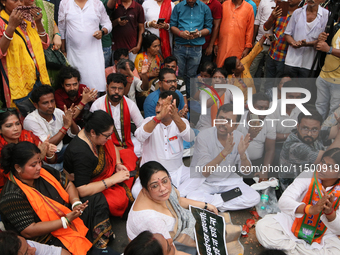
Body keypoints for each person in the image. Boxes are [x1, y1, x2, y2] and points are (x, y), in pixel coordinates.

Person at [0, 142, 113, 254]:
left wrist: (76, 203)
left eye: (39, 161)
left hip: (69, 214)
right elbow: (29, 230)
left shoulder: (43, 171)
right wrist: (64, 221)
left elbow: (68, 184)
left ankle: (99, 243)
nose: (39, 167)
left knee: (96, 199)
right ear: (18, 168)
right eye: (33, 165)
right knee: (72, 246)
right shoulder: (11, 195)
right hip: (48, 236)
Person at [256, 148, 340, 255]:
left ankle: (290, 251)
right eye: (322, 162)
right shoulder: (309, 174)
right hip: (294, 223)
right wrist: (310, 209)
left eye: (330, 167)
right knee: (263, 227)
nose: (322, 167)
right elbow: (283, 201)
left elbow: (338, 229)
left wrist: (330, 213)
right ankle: (301, 252)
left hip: (323, 234)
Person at [127, 161, 218, 254]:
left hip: (178, 236)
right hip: (167, 249)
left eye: (165, 181)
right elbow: (173, 252)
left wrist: (205, 205)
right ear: (144, 189)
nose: (162, 188)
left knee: (221, 232)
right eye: (155, 186)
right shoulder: (152, 220)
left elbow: (177, 201)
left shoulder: (158, 194)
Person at [186, 104, 260, 211]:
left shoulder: (239, 136)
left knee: (254, 197)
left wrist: (243, 156)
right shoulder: (203, 136)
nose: (223, 123)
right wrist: (224, 153)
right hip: (205, 182)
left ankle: (211, 204)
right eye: (221, 118)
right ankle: (224, 201)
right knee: (192, 197)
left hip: (228, 180)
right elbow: (205, 173)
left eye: (229, 121)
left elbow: (246, 172)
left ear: (236, 125)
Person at [64, 110, 136, 217]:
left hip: (106, 172)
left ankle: (123, 185)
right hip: (90, 184)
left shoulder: (91, 133)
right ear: (93, 133)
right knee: (117, 201)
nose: (109, 138)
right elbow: (82, 190)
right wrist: (113, 180)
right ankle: (123, 189)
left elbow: (112, 146)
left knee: (128, 154)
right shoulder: (81, 153)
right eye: (107, 136)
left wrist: (117, 164)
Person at [133, 91, 195, 198]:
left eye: (164, 106)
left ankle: (175, 195)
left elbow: (190, 137)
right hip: (152, 175)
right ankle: (174, 197)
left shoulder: (181, 122)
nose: (158, 108)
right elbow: (139, 136)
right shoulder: (149, 121)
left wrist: (175, 117)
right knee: (136, 191)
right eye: (158, 104)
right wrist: (158, 118)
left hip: (177, 172)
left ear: (174, 109)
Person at [0, 0, 50, 109]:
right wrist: (11, 27)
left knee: (45, 113)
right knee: (25, 116)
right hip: (18, 81)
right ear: (3, 2)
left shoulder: (27, 19)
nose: (19, 4)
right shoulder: (1, 22)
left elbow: (44, 44)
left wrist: (38, 22)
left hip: (38, 77)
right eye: (15, 0)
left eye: (22, 0)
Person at [279, 108, 340, 191]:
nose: (309, 133)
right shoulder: (295, 147)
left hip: (315, 182)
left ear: (320, 128)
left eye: (314, 129)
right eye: (305, 128)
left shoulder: (314, 132)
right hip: (297, 192)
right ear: (298, 126)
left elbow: (336, 130)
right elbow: (330, 156)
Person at [58, 0, 112, 93]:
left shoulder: (97, 3)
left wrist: (102, 32)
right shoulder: (65, 3)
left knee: (95, 88)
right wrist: (63, 50)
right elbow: (61, 29)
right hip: (74, 55)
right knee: (76, 88)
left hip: (94, 55)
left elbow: (108, 24)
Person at [0, 108, 57, 192]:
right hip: (10, 188)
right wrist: (38, 158)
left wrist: (49, 154)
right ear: (0, 130)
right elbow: (8, 175)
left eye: (17, 124)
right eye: (9, 126)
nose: (16, 128)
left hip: (35, 176)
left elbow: (52, 160)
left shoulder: (27, 136)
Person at [23, 85, 80, 169]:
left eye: (52, 101)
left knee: (79, 145)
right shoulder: (31, 120)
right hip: (43, 158)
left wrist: (70, 120)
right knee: (55, 170)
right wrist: (65, 127)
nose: (50, 105)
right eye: (45, 103)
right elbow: (46, 146)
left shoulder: (58, 112)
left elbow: (75, 134)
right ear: (36, 105)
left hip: (60, 151)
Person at [90, 73, 143, 158]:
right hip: (104, 143)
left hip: (127, 141)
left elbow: (141, 126)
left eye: (120, 89)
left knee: (144, 148)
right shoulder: (97, 105)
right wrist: (113, 147)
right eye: (113, 88)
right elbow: (92, 132)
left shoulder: (130, 104)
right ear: (107, 87)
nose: (117, 92)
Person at [170, 0, 213, 97]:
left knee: (192, 76)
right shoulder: (178, 7)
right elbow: (172, 26)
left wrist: (199, 33)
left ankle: (190, 100)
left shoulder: (205, 8)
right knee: (178, 75)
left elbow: (209, 28)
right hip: (180, 46)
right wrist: (181, 34)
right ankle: (178, 98)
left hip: (196, 48)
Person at [263, 0, 300, 95]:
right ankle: (268, 102)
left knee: (280, 85)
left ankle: (278, 105)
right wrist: (272, 17)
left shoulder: (300, 15)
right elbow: (267, 28)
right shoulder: (280, 11)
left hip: (286, 58)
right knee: (268, 83)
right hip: (272, 54)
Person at [284, 0, 328, 78]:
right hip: (292, 60)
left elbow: (323, 41)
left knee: (304, 89)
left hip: (309, 63)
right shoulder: (297, 12)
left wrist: (306, 44)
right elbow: (287, 34)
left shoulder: (326, 15)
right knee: (286, 87)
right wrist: (293, 43)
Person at [236, 93, 276, 173]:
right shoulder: (238, 120)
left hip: (258, 163)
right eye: (260, 108)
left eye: (266, 108)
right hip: (238, 161)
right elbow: (234, 148)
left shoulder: (269, 123)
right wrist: (250, 137)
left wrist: (264, 171)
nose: (264, 111)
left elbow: (270, 150)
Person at [223, 34, 268, 103]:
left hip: (253, 100)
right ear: (233, 70)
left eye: (240, 62)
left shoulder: (243, 63)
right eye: (239, 65)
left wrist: (263, 37)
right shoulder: (230, 81)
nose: (242, 65)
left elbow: (253, 53)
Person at [267, 80, 302, 166]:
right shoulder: (272, 107)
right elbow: (269, 135)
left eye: (298, 97)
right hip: (274, 145)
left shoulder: (300, 109)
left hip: (293, 144)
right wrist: (292, 135)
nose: (294, 101)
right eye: (291, 96)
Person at [215, 0, 254, 68]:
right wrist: (216, 43)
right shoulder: (225, 4)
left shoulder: (249, 8)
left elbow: (250, 30)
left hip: (238, 48)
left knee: (234, 70)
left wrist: (247, 48)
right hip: (223, 46)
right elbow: (218, 26)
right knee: (220, 69)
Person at [249, 0, 276, 93]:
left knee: (267, 72)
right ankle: (246, 91)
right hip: (259, 41)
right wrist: (253, 40)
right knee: (252, 68)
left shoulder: (286, 5)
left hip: (274, 46)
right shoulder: (264, 2)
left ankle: (262, 95)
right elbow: (257, 20)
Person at [134, 32, 164, 109]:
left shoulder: (159, 57)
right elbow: (136, 77)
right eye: (155, 46)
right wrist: (151, 74)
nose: (158, 48)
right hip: (143, 90)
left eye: (159, 46)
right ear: (148, 47)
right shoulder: (140, 57)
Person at [315, 31, 340, 120]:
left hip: (338, 81)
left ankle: (327, 132)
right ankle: (316, 130)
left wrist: (329, 49)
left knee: (335, 111)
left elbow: (328, 48)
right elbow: (322, 45)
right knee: (319, 106)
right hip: (324, 75)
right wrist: (321, 38)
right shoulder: (336, 27)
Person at [0, 230, 70, 255]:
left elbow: (58, 252)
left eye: (28, 245)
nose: (34, 249)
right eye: (26, 253)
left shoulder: (26, 246)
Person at [200, 0, 222, 65]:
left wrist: (211, 46)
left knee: (205, 69)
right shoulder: (193, 2)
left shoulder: (216, 4)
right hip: (193, 44)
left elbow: (216, 26)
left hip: (206, 44)